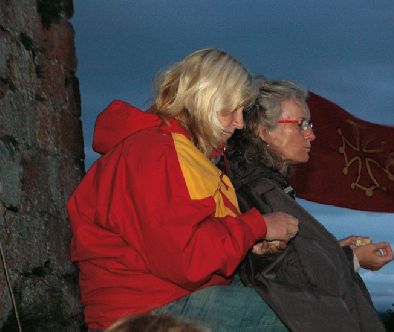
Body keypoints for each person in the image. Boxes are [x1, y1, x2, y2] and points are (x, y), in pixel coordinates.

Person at [67, 49, 298, 331]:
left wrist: (249, 243)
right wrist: (256, 227)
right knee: (296, 317)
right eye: (231, 109)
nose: (239, 123)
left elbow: (191, 233)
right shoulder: (156, 153)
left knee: (294, 298)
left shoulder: (179, 151)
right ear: (204, 99)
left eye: (242, 111)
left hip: (169, 294)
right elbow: (185, 258)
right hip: (144, 310)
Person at [224, 80, 394, 331]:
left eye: (309, 124)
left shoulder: (261, 184)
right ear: (264, 132)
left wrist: (331, 249)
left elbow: (289, 255)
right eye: (301, 124)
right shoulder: (257, 190)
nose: (311, 134)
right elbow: (283, 274)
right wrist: (352, 259)